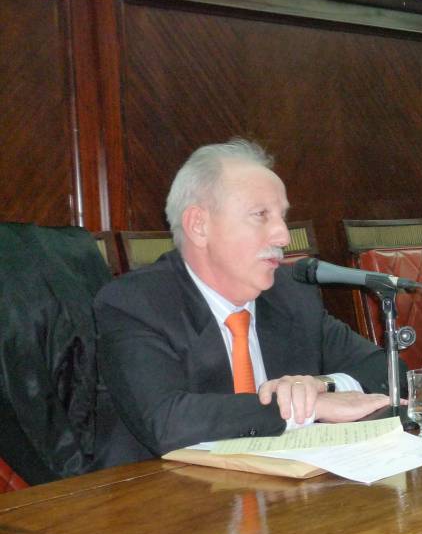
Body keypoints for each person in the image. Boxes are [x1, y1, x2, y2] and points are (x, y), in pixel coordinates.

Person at [94, 139, 401, 468]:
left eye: (282, 217)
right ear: (199, 225)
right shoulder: (135, 303)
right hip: (163, 502)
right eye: (261, 216)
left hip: (283, 499)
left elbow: (389, 370)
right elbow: (167, 421)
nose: (283, 236)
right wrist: (305, 408)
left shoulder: (291, 294)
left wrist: (319, 386)